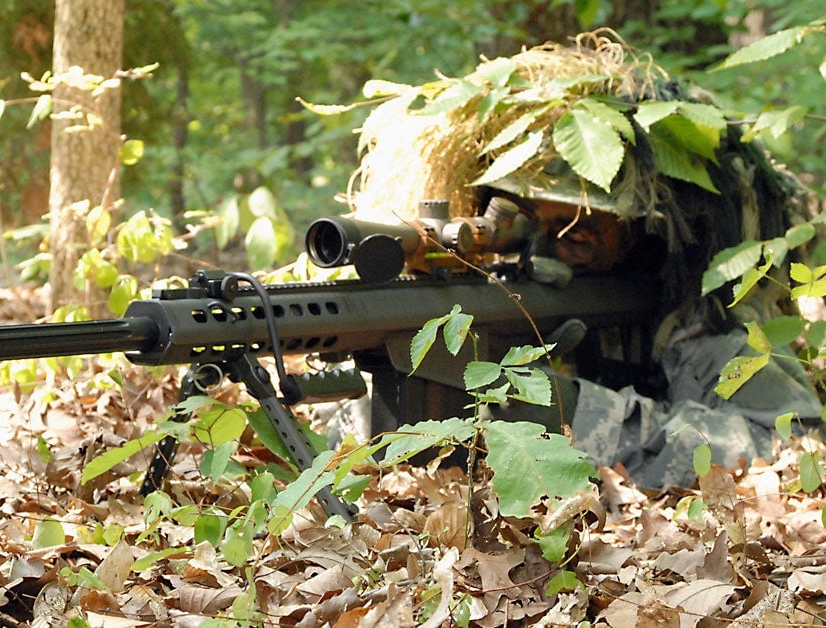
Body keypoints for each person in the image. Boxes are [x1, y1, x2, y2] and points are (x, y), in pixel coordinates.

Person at [345, 32, 823, 489]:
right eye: (523, 221)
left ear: (639, 230)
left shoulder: (694, 325)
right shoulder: (481, 303)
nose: (548, 246)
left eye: (579, 228)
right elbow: (345, 445)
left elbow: (797, 450)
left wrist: (575, 412)